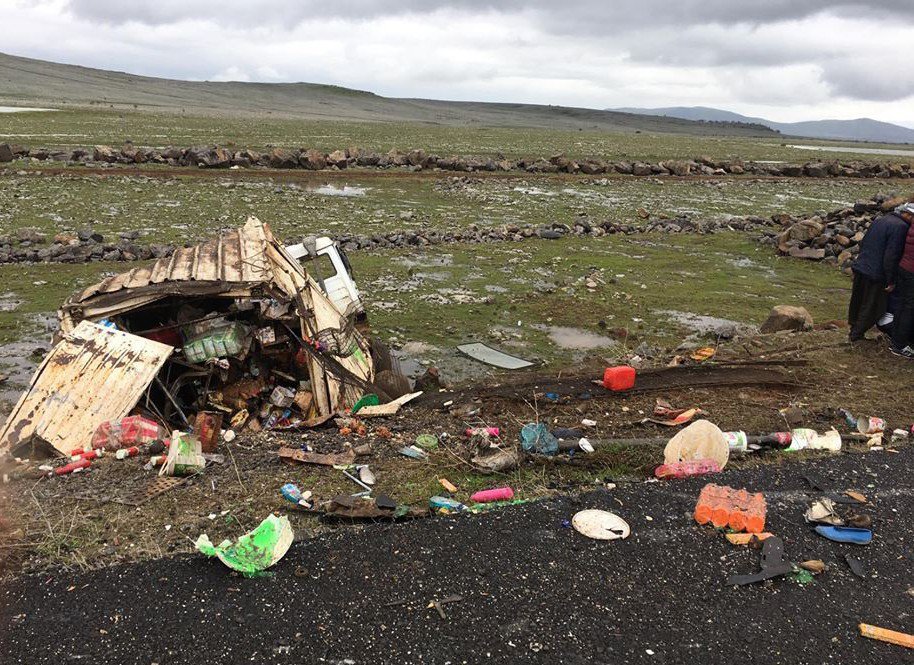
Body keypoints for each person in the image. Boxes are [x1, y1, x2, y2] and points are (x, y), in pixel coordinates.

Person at [847, 202, 910, 341]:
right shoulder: (901, 227)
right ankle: (856, 335)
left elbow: (863, 242)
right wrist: (891, 279)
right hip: (877, 272)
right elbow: (891, 255)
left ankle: (853, 329)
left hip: (862, 265)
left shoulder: (881, 219)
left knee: (858, 300)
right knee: (872, 305)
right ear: (908, 215)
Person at [889, 202, 914, 356]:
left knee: (903, 304)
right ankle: (900, 344)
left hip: (904, 267)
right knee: (909, 307)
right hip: (912, 271)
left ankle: (897, 339)